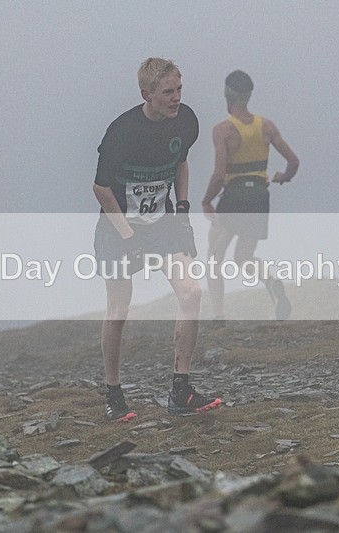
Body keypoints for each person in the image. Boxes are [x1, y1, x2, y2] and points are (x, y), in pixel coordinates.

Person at [93, 57, 222, 422]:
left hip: (163, 222)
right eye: (168, 92)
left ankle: (181, 391)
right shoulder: (122, 131)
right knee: (119, 310)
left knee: (191, 293)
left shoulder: (186, 121)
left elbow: (180, 162)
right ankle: (114, 394)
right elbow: (101, 189)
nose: (176, 98)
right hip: (119, 225)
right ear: (146, 94)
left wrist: (182, 206)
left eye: (179, 89)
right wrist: (129, 234)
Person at [201, 70, 299, 323]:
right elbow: (293, 161)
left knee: (214, 257)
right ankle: (273, 282)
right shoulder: (266, 126)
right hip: (258, 197)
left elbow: (219, 174)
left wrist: (206, 201)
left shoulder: (222, 130)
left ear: (227, 95)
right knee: (244, 257)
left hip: (234, 198)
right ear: (248, 96)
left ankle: (219, 315)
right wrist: (282, 177)